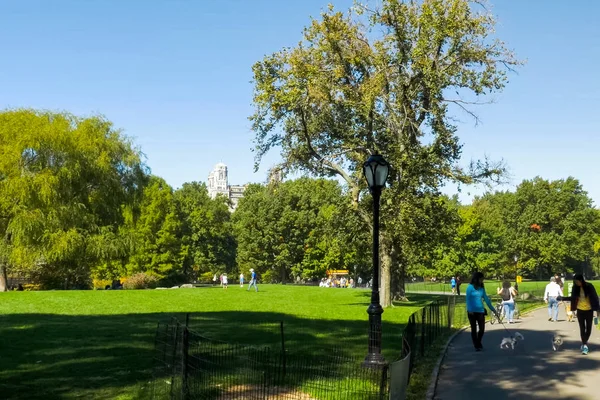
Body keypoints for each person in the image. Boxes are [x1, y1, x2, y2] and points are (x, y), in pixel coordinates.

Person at [558, 274, 600, 354]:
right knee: (582, 328)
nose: (577, 283)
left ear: (581, 280)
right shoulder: (575, 288)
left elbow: (595, 297)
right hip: (580, 310)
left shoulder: (589, 286)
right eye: (575, 282)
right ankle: (584, 345)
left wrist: (597, 309)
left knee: (589, 328)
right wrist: (562, 298)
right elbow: (573, 298)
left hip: (589, 310)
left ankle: (585, 341)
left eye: (578, 281)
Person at [466, 272, 498, 351]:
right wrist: (470, 309)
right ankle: (476, 345)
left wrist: (493, 310)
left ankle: (478, 341)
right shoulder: (469, 287)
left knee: (482, 329)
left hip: (480, 311)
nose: (482, 281)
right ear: (477, 279)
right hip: (471, 312)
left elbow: (486, 300)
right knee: (473, 329)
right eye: (481, 279)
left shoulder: (481, 288)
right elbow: (468, 300)